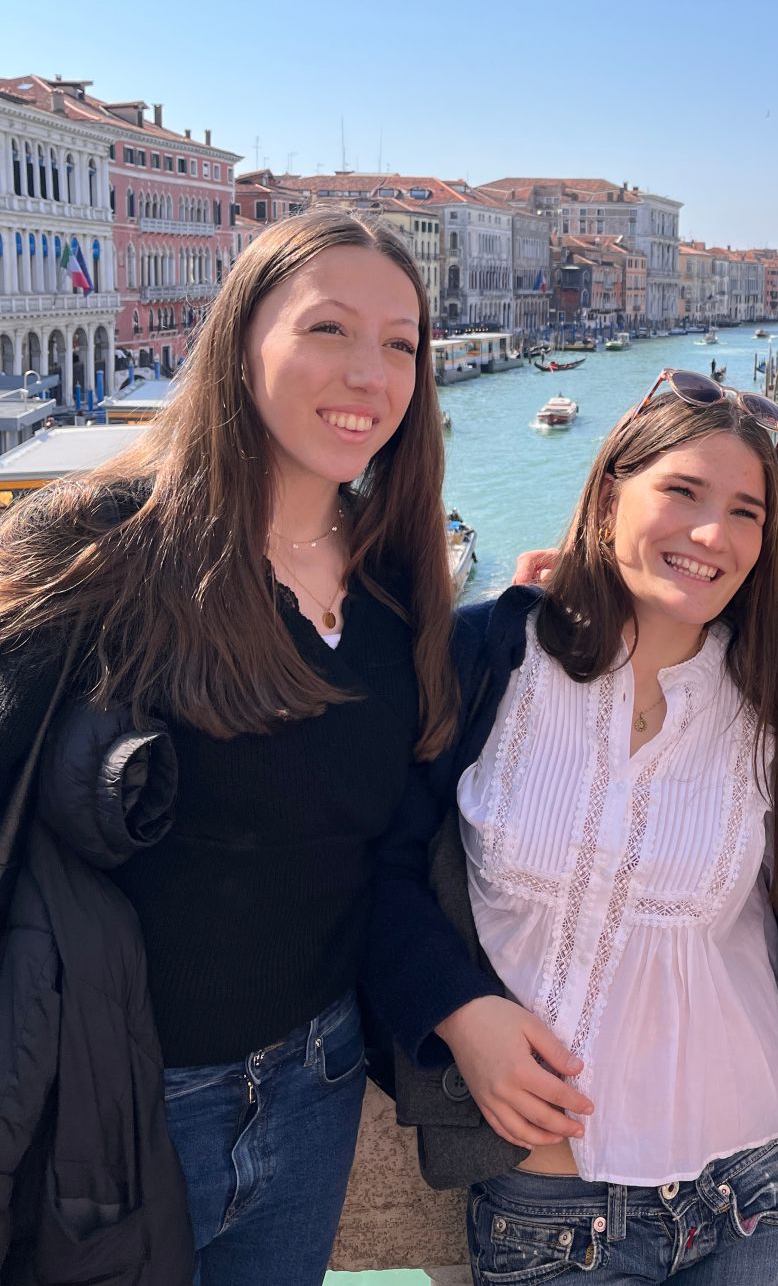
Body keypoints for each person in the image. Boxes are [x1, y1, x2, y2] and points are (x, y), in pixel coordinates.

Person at [0, 209, 455, 1285]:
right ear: (242, 338)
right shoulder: (101, 545)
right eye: (329, 328)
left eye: (400, 343)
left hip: (319, 1082)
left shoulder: (399, 581)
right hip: (116, 1105)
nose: (370, 372)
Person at [367, 368, 778, 1285]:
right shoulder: (482, 658)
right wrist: (457, 1011)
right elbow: (375, 863)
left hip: (764, 1183)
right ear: (611, 493)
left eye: (746, 511)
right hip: (550, 1206)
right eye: (683, 491)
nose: (714, 534)